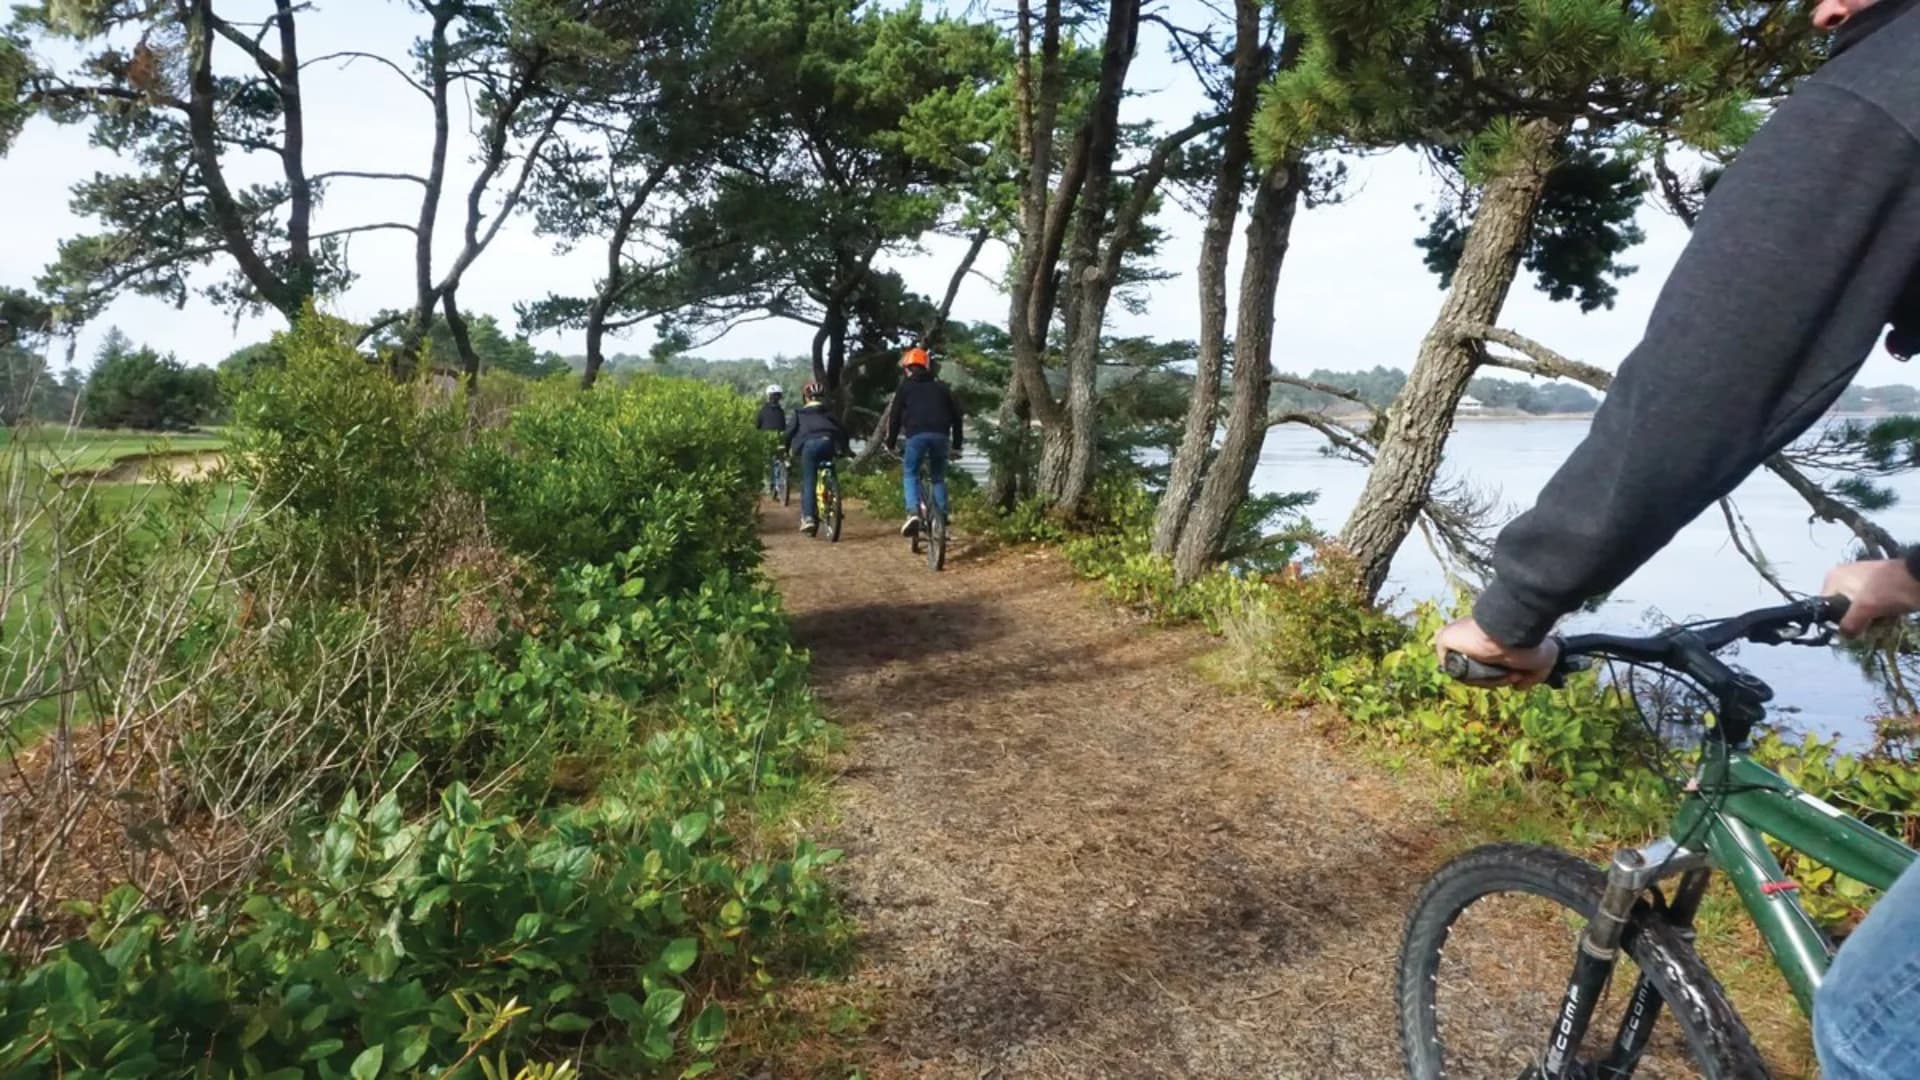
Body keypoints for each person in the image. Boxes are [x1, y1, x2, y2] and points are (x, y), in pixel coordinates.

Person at [1433, 2, 1920, 1075]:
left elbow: (1707, 378)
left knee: (1872, 1029)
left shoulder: (1884, 87)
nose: (1815, 8)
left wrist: (1516, 611)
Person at [885, 346, 964, 537]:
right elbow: (957, 417)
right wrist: (956, 445)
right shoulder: (942, 388)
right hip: (941, 436)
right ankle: (941, 519)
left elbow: (894, 417)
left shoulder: (905, 388)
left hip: (916, 436)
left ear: (907, 369)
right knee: (937, 477)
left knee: (911, 473)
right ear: (926, 367)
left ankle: (913, 513)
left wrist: (890, 443)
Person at [783, 381, 850, 533]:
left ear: (806, 398)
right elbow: (843, 430)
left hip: (809, 446)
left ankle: (808, 518)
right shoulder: (828, 413)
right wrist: (844, 449)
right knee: (829, 466)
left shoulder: (799, 413)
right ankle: (833, 495)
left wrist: (786, 450)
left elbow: (788, 434)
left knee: (809, 481)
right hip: (829, 443)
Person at [756, 385, 788, 495]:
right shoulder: (781, 411)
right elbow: (784, 426)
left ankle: (768, 486)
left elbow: (757, 425)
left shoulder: (763, 410)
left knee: (767, 464)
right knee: (777, 461)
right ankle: (777, 484)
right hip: (779, 438)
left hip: (767, 439)